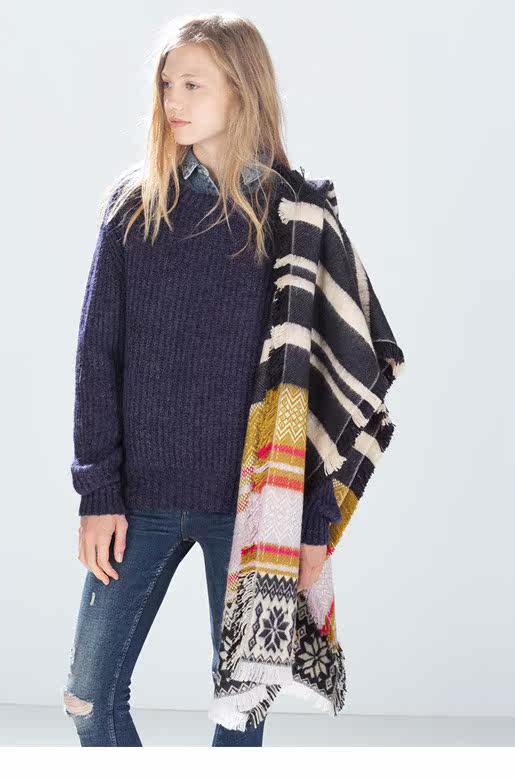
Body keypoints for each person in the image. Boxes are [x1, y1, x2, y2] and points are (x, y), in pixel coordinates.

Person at [62, 13, 342, 747]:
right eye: (166, 84)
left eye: (193, 84)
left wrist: (313, 524)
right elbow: (96, 356)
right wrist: (97, 492)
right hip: (139, 502)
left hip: (251, 511)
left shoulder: (294, 216)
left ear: (241, 89)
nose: (172, 101)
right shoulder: (135, 205)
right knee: (89, 699)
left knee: (239, 719)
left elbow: (323, 387)